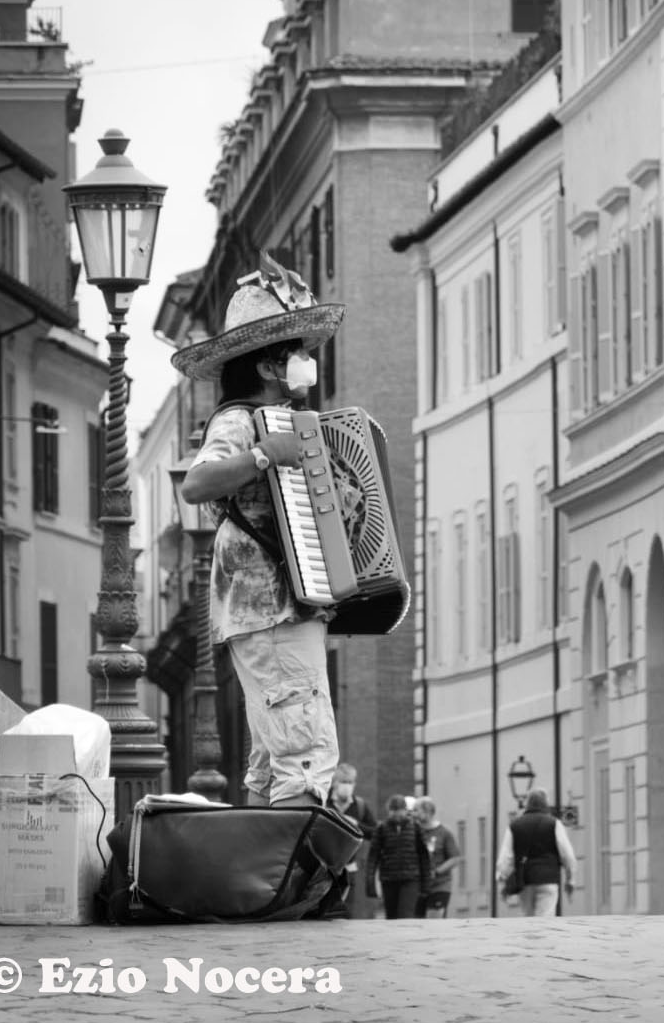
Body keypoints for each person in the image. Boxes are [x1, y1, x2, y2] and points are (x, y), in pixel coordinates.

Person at [175, 255, 344, 807]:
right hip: (266, 605)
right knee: (305, 751)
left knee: (274, 759)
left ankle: (267, 885)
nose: (305, 361)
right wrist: (264, 454)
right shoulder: (238, 419)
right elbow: (196, 484)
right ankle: (295, 883)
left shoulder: (290, 421)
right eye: (295, 351)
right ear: (269, 367)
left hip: (277, 606)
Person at [496, 788, 578, 917]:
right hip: (548, 879)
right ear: (545, 803)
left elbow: (506, 857)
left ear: (527, 804)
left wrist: (502, 878)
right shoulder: (554, 824)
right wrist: (570, 879)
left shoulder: (515, 825)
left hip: (525, 880)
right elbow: (567, 855)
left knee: (527, 917)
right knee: (545, 918)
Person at [326, 763, 378, 917]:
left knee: (347, 910)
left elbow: (374, 833)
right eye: (343, 782)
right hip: (326, 866)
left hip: (350, 867)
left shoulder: (359, 806)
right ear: (335, 782)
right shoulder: (325, 803)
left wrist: (356, 825)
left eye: (350, 782)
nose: (347, 786)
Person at [367, 794, 430, 919]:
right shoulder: (381, 829)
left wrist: (426, 883)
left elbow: (424, 856)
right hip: (389, 879)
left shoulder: (415, 828)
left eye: (399, 810)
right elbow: (373, 856)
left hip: (411, 878)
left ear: (406, 811)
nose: (397, 814)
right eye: (393, 811)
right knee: (391, 916)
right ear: (389, 811)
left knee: (405, 915)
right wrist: (370, 883)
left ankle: (405, 937)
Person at [413, 797, 462, 917]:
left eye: (416, 810)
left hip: (440, 885)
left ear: (428, 812)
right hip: (417, 886)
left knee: (433, 921)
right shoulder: (413, 832)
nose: (413, 814)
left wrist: (438, 871)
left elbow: (455, 858)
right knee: (416, 923)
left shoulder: (444, 833)